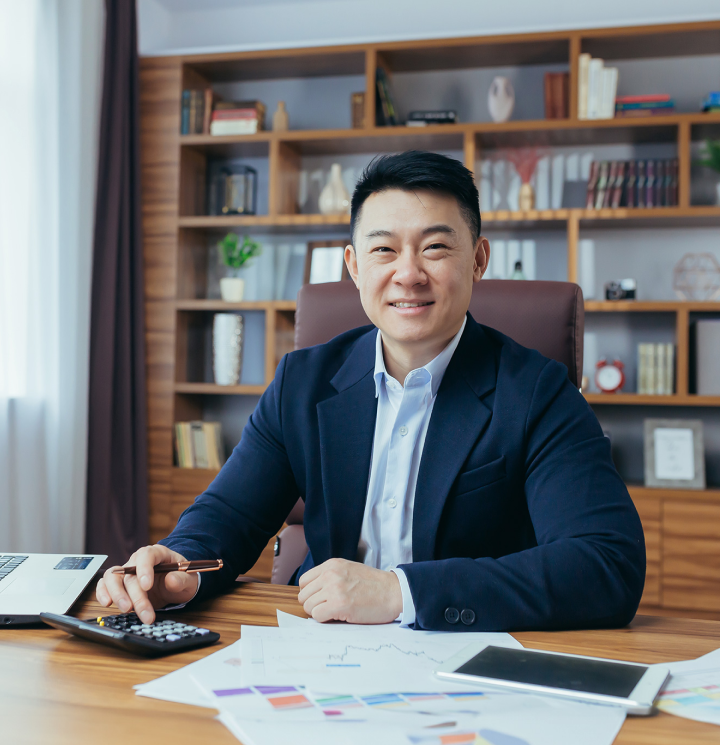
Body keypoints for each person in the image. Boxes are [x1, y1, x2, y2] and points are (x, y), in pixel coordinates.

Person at [96, 150, 645, 631]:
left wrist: (400, 592)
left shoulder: (538, 391)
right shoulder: (302, 382)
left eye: (434, 248)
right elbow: (228, 517)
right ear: (354, 267)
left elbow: (605, 565)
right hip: (324, 650)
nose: (408, 274)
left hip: (473, 655)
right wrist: (181, 569)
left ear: (477, 260)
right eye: (383, 251)